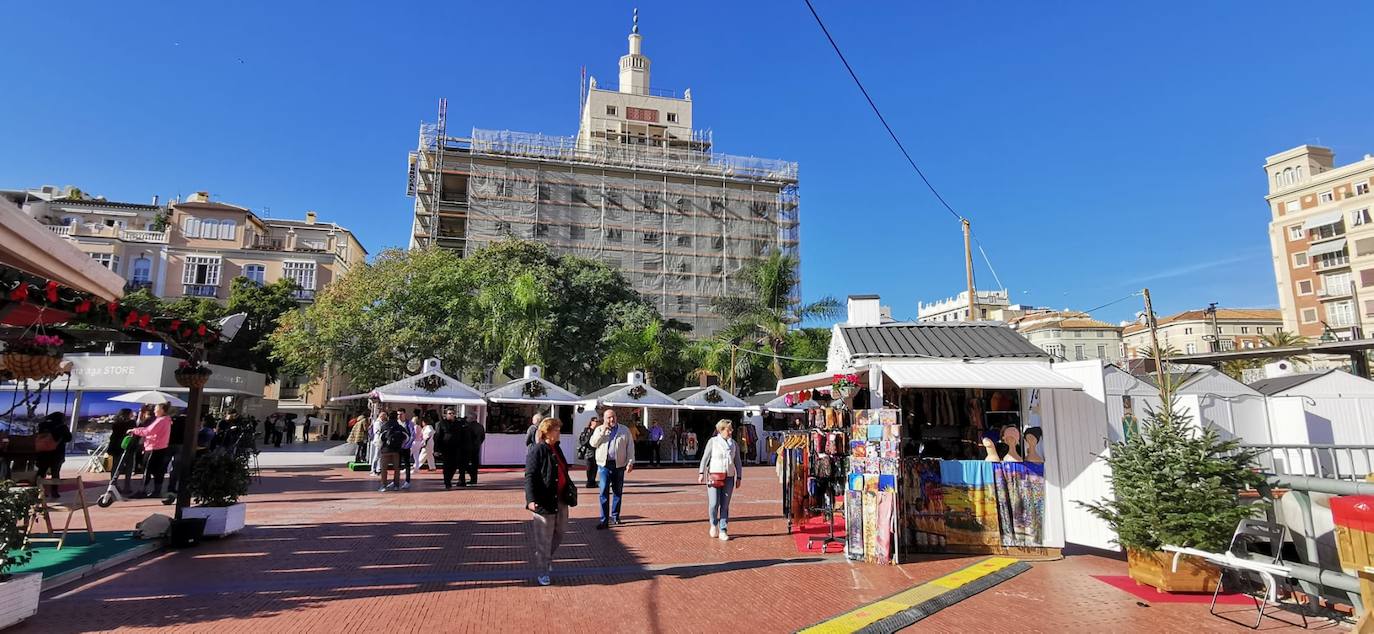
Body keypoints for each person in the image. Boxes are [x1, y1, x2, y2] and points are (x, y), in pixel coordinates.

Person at [524, 417, 574, 587]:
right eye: (557, 430)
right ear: (548, 432)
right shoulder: (538, 450)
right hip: (543, 501)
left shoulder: (556, 448)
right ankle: (543, 570)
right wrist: (531, 500)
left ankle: (545, 558)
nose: (559, 432)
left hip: (560, 499)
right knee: (543, 539)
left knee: (560, 531)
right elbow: (530, 475)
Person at [697, 419, 744, 541]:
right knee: (714, 504)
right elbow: (705, 458)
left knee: (725, 504)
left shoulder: (734, 444)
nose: (730, 432)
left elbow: (737, 461)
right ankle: (713, 524)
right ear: (721, 430)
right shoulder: (713, 442)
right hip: (714, 475)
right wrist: (701, 473)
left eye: (731, 429)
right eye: (729, 429)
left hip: (729, 476)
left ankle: (723, 529)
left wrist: (739, 476)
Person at [589, 408, 634, 530]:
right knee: (603, 491)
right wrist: (602, 431)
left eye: (613, 416)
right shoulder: (599, 429)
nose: (612, 419)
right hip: (604, 465)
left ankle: (615, 516)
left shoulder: (624, 430)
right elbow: (593, 443)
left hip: (618, 465)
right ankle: (604, 520)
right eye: (609, 417)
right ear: (604, 419)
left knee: (617, 491)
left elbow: (630, 447)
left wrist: (630, 462)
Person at [129, 403, 173, 499]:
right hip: (161, 447)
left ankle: (142, 490)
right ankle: (157, 491)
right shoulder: (166, 420)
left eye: (156, 409)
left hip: (153, 447)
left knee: (147, 469)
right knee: (158, 471)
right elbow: (149, 429)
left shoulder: (161, 420)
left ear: (162, 410)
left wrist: (134, 431)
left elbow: (148, 431)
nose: (154, 411)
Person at [35, 412, 73, 499]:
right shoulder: (62, 427)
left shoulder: (43, 425)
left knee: (41, 472)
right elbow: (68, 438)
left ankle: (39, 490)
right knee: (55, 473)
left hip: (43, 453)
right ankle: (54, 492)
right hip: (57, 453)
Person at [434, 410, 468, 489]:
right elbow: (438, 437)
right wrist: (436, 449)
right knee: (446, 465)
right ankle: (447, 482)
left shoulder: (458, 424)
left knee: (454, 465)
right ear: (446, 415)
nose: (451, 415)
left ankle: (449, 478)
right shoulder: (442, 423)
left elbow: (463, 435)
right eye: (450, 413)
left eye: (453, 413)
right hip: (445, 448)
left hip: (456, 448)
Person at [377, 412, 410, 492]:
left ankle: (383, 485)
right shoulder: (399, 427)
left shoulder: (384, 426)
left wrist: (380, 447)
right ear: (396, 418)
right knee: (397, 468)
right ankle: (396, 485)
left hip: (385, 450)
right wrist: (402, 444)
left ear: (388, 417)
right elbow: (407, 437)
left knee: (384, 468)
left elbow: (380, 438)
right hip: (396, 450)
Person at [108, 408, 136, 494]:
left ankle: (113, 485)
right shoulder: (131, 423)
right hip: (128, 446)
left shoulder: (116, 423)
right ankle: (127, 486)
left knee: (116, 467)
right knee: (128, 467)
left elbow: (114, 436)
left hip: (116, 447)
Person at [577, 416, 600, 488]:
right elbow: (584, 441)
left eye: (598, 422)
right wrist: (591, 432)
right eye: (596, 421)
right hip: (588, 451)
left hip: (596, 451)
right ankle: (589, 482)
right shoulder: (587, 430)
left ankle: (592, 482)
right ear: (592, 422)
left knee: (595, 468)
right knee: (590, 468)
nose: (597, 423)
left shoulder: (598, 430)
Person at [465, 414, 485, 485]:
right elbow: (483, 437)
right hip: (476, 448)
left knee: (465, 463)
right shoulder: (480, 426)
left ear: (472, 418)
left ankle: (471, 475)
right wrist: (478, 444)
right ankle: (474, 479)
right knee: (474, 464)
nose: (467, 419)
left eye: (468, 417)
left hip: (468, 447)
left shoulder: (468, 426)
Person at [401, 415, 420, 489]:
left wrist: (408, 443)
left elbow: (413, 435)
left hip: (414, 442)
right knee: (416, 456)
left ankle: (407, 469)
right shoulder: (419, 427)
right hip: (418, 442)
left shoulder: (414, 426)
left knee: (409, 456)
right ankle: (416, 468)